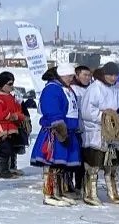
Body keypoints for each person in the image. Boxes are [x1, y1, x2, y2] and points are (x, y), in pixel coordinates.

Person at [78, 63, 119, 206]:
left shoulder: (118, 88)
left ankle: (114, 193)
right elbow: (87, 111)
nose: (113, 78)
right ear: (104, 74)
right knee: (93, 164)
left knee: (113, 164)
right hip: (96, 131)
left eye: (115, 75)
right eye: (110, 75)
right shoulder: (94, 88)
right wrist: (105, 116)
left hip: (115, 132)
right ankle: (90, 193)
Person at [31, 66, 83, 207]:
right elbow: (52, 109)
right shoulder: (52, 89)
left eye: (72, 76)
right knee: (51, 165)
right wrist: (59, 126)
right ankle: (48, 194)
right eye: (68, 76)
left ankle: (58, 192)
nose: (71, 79)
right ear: (61, 75)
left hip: (69, 132)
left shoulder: (65, 88)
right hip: (56, 132)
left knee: (61, 166)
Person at [0, 72, 26, 178]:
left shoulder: (10, 97)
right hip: (0, 129)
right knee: (4, 148)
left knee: (9, 147)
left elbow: (18, 111)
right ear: (3, 84)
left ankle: (0, 168)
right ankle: (2, 170)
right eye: (10, 84)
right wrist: (12, 116)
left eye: (13, 84)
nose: (12, 86)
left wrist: (19, 115)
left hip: (10, 128)